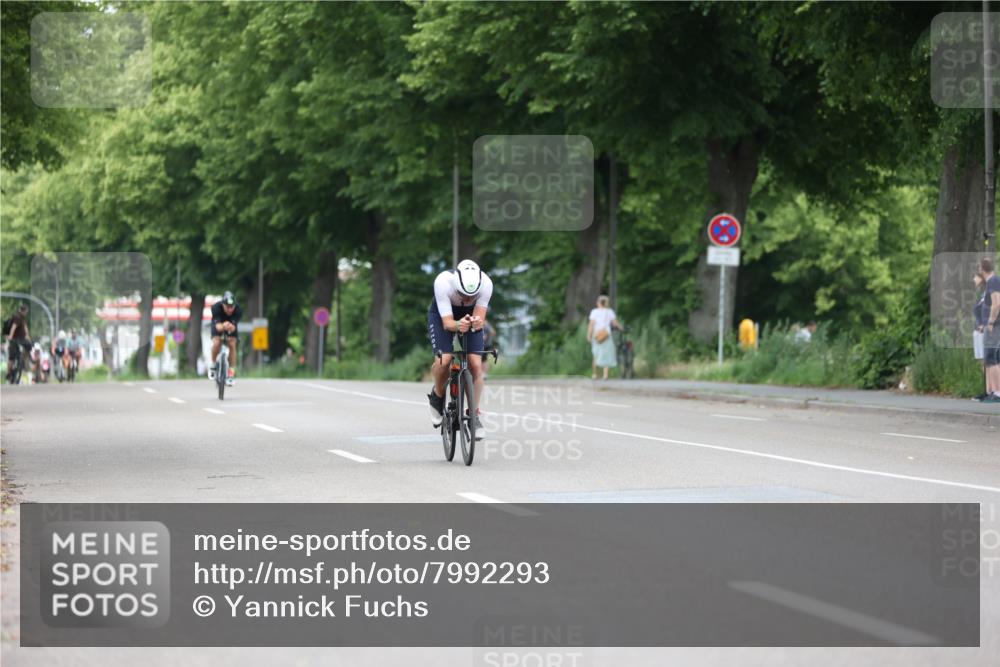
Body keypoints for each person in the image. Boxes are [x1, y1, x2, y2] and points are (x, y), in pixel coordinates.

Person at [427, 259, 493, 438]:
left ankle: (473, 415)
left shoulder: (486, 283)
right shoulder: (443, 282)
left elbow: (479, 317)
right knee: (444, 360)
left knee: (476, 365)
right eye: (463, 295)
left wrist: (476, 322)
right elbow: (448, 323)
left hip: (469, 316)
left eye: (472, 296)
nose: (468, 299)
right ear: (456, 286)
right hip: (443, 316)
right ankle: (437, 396)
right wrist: (458, 324)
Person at [209, 291, 242, 386]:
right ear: (222, 305)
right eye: (227, 306)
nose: (230, 309)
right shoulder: (216, 308)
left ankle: (231, 372)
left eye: (232, 307)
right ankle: (213, 364)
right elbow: (218, 327)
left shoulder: (238, 310)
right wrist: (223, 325)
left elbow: (233, 327)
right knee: (217, 342)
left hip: (231, 325)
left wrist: (230, 326)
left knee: (232, 344)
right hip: (218, 324)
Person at [587, 295, 622, 380]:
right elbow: (615, 323)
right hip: (606, 335)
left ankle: (595, 374)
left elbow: (591, 324)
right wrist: (621, 328)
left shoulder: (594, 312)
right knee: (606, 354)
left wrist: (589, 335)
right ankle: (605, 375)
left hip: (597, 335)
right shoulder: (609, 312)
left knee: (596, 354)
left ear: (598, 303)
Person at [980, 258, 1000, 403]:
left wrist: (991, 322)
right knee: (990, 359)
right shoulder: (992, 282)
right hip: (992, 324)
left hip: (993, 325)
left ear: (982, 269)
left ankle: (997, 392)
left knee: (991, 358)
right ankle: (992, 391)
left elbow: (997, 303)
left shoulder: (993, 281)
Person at [5, 304, 32, 382]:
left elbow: (25, 328)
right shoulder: (17, 317)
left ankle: (22, 361)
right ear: (24, 311)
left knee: (29, 346)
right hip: (15, 339)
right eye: (26, 312)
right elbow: (14, 327)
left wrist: (28, 337)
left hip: (21, 339)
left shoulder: (23, 318)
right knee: (11, 357)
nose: (27, 313)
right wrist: (10, 336)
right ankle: (9, 373)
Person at [973, 271, 988, 400]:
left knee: (988, 361)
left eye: (975, 277)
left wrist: (985, 324)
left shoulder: (989, 292)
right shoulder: (981, 295)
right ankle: (986, 390)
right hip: (977, 332)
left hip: (985, 331)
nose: (973, 279)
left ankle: (992, 391)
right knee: (981, 361)